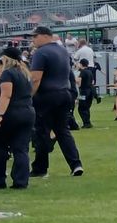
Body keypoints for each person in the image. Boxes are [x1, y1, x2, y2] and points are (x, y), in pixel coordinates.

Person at [28, 25, 83, 179]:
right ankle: (76, 164)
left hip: (46, 96)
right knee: (63, 131)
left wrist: (28, 97)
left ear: (45, 36)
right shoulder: (63, 51)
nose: (33, 40)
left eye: (35, 36)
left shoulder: (40, 53)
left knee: (41, 132)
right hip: (64, 94)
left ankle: (40, 168)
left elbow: (35, 78)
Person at [0, 47, 34, 191]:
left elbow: (7, 95)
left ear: (6, 59)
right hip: (28, 112)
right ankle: (21, 181)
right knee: (21, 149)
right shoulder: (25, 73)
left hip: (12, 113)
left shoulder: (8, 73)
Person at [76, 59, 97, 129]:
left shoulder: (82, 72)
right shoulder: (89, 71)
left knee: (81, 108)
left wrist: (74, 79)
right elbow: (93, 81)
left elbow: (79, 82)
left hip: (84, 92)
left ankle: (86, 123)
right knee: (86, 107)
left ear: (81, 64)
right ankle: (87, 122)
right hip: (90, 91)